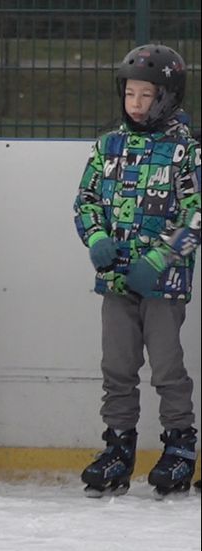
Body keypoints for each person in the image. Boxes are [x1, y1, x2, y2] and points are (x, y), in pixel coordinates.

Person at [73, 44, 200, 498]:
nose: (136, 104)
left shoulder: (186, 151)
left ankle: (180, 446)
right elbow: (85, 201)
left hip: (161, 285)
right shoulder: (108, 145)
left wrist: (160, 259)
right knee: (117, 368)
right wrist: (96, 240)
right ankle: (118, 447)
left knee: (167, 368)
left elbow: (197, 213)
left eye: (147, 95)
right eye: (130, 94)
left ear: (167, 96)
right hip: (115, 281)